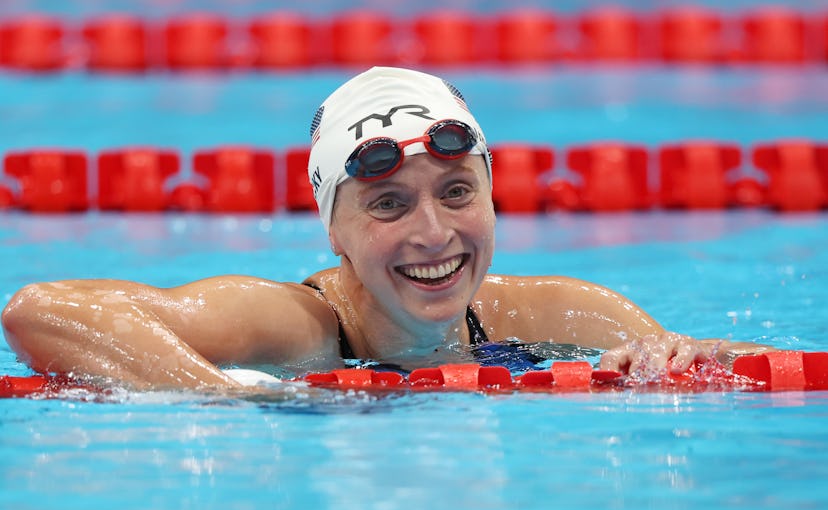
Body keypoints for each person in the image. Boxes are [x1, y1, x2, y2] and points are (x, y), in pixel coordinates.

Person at [1, 67, 766, 390]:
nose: (434, 234)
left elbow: (749, 365)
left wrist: (680, 358)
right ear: (334, 230)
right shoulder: (300, 324)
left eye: (457, 192)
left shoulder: (555, 313)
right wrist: (227, 399)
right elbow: (39, 310)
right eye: (389, 204)